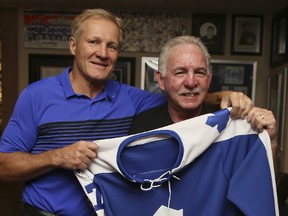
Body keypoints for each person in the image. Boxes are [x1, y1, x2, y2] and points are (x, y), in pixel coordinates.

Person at [0, 9, 253, 216]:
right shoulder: (36, 96)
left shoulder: (132, 99)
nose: (103, 53)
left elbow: (180, 95)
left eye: (112, 46)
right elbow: (3, 166)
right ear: (73, 45)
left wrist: (223, 96)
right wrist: (56, 157)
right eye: (94, 42)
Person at [129, 35, 278, 163]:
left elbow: (261, 184)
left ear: (209, 79)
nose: (191, 82)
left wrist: (270, 141)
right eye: (180, 72)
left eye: (199, 72)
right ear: (161, 80)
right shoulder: (143, 126)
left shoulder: (233, 124)